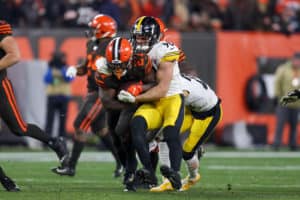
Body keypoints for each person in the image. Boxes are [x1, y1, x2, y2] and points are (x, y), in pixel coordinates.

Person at [51, 14, 124, 177]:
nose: (91, 31)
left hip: (102, 91)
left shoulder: (112, 46)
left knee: (79, 125)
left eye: (94, 28)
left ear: (103, 30)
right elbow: (86, 66)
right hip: (92, 91)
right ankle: (122, 163)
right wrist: (75, 69)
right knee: (101, 129)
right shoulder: (93, 44)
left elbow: (119, 71)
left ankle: (70, 166)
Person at [117, 16, 184, 190]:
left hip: (170, 98)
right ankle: (148, 172)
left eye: (144, 37)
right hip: (152, 100)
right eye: (137, 36)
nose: (139, 41)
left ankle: (175, 174)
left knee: (171, 134)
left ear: (155, 37)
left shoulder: (163, 50)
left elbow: (162, 89)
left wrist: (135, 97)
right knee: (136, 126)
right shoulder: (130, 50)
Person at [0, 20, 68, 168]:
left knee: (19, 128)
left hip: (0, 87)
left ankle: (55, 143)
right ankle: (6, 181)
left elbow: (14, 55)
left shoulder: (1, 28)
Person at [150, 74, 222, 192]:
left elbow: (176, 99)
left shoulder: (179, 89)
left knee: (187, 153)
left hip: (209, 113)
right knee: (164, 135)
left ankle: (193, 177)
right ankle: (168, 181)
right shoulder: (173, 79)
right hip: (191, 108)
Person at [272, 52, 300, 151]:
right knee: (280, 124)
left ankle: (293, 144)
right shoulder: (284, 69)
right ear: (293, 59)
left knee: (294, 125)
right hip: (284, 101)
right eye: (296, 60)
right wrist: (276, 95)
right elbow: (277, 82)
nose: (297, 62)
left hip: (297, 104)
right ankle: (276, 143)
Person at [44, 51, 73, 138]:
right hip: (53, 96)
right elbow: (47, 79)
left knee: (62, 120)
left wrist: (62, 71)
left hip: (63, 97)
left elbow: (69, 79)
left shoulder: (66, 68)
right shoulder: (51, 68)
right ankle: (47, 139)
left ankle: (62, 138)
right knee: (50, 119)